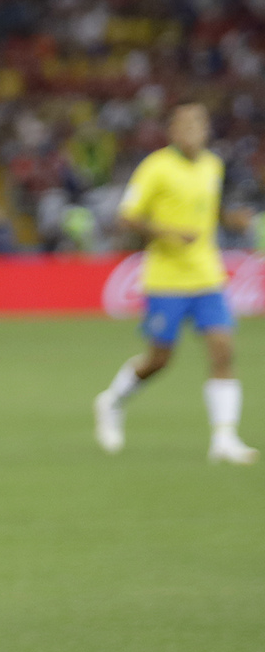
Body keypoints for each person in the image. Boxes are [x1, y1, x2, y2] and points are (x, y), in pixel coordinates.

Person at [94, 103, 255, 464]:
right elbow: (127, 217)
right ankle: (112, 401)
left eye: (198, 125)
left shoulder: (213, 165)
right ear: (173, 131)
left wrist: (231, 219)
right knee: (159, 359)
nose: (192, 132)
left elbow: (207, 211)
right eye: (185, 126)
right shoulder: (156, 167)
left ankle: (224, 438)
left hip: (207, 275)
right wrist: (168, 232)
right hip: (166, 279)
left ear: (207, 130)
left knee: (223, 350)